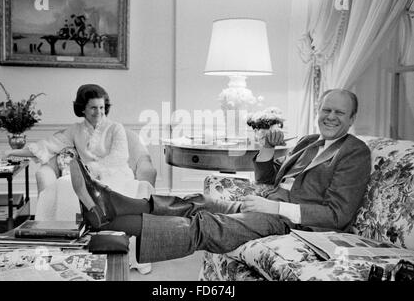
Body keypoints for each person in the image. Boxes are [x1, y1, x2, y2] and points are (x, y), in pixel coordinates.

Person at [70, 89, 371, 264]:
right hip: (263, 204)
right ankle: (108, 201)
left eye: (339, 113)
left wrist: (276, 208)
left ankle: (108, 220)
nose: (330, 117)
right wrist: (267, 149)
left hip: (292, 222)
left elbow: (337, 214)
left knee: (206, 224)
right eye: (326, 110)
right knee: (193, 202)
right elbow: (270, 180)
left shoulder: (354, 152)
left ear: (352, 118)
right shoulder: (309, 141)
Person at [6, 84, 155, 273]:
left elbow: (118, 157)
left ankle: (130, 254)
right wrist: (15, 151)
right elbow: (49, 145)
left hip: (116, 174)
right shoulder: (75, 130)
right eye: (93, 107)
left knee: (111, 192)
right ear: (82, 108)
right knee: (62, 187)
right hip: (85, 178)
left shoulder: (116, 128)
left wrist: (90, 170)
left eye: (101, 107)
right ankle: (68, 250)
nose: (98, 112)